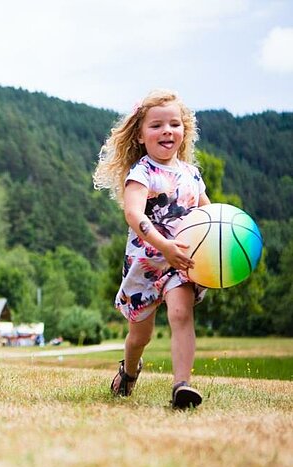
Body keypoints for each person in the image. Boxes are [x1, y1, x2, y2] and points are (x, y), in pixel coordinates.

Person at [93, 89, 211, 409]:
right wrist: (163, 246)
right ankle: (129, 371)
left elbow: (209, 217)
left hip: (179, 263)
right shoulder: (142, 172)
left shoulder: (192, 175)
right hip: (145, 264)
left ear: (184, 130)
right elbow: (134, 214)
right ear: (141, 136)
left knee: (180, 313)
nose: (166, 131)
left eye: (174, 124)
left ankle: (181, 386)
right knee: (140, 336)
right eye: (156, 125)